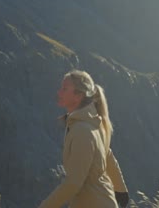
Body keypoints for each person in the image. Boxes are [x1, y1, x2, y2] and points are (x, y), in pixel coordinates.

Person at [39, 70, 129, 208]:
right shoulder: (91, 123)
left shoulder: (82, 130)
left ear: (78, 96)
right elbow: (107, 155)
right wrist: (121, 191)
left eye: (64, 89)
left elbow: (74, 183)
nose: (59, 93)